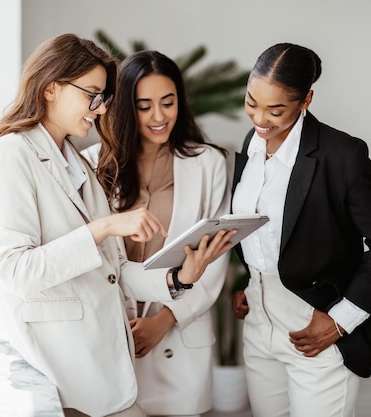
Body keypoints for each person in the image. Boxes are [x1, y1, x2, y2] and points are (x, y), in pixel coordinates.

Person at [0, 34, 233, 417]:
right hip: (63, 364)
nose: (100, 109)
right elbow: (16, 271)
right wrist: (104, 228)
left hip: (101, 364)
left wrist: (177, 281)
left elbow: (112, 271)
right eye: (92, 95)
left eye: (104, 98)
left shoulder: (75, 163)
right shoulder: (10, 154)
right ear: (51, 89)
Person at [230, 42, 371, 417]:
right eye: (251, 102)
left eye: (275, 110)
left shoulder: (343, 155)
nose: (259, 119)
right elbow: (258, 227)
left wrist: (341, 321)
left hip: (316, 326)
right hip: (260, 327)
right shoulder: (251, 144)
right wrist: (250, 284)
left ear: (306, 99)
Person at [84, 50, 230, 417]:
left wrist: (164, 320)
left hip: (178, 338)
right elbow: (92, 253)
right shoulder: (96, 162)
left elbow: (214, 259)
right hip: (114, 330)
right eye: (144, 105)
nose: (159, 116)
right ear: (123, 108)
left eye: (168, 102)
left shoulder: (208, 163)